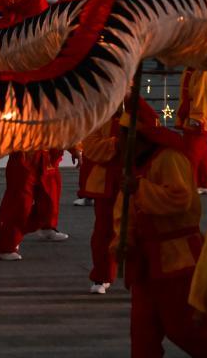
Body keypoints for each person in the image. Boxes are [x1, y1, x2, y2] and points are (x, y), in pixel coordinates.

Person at [113, 106, 207, 355]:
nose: (119, 141)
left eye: (124, 135)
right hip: (146, 262)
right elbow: (123, 210)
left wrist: (141, 188)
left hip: (176, 259)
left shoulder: (170, 158)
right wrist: (121, 241)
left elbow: (182, 200)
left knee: (187, 329)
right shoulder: (133, 166)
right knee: (142, 334)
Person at [80, 91, 157, 294]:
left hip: (132, 176)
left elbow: (152, 131)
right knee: (104, 229)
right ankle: (102, 275)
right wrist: (116, 144)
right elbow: (89, 146)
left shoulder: (137, 106)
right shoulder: (97, 110)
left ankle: (138, 276)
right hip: (105, 179)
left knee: (136, 228)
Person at [0, 147, 78, 260]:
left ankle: (11, 231)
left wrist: (75, 148)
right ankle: (7, 245)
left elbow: (65, 129)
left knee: (49, 206)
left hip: (49, 158)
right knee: (21, 205)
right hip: (24, 157)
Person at [176, 68, 207, 194]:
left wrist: (196, 117)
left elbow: (202, 95)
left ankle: (190, 184)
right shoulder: (192, 68)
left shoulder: (203, 71)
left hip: (197, 117)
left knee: (191, 153)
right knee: (200, 152)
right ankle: (205, 183)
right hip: (191, 113)